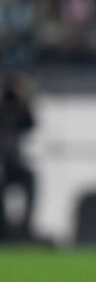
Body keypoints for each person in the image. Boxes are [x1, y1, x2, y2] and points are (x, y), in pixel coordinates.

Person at [0, 72, 36, 242]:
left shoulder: (18, 108)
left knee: (31, 181)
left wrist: (24, 99)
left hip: (14, 163)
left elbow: (30, 124)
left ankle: (25, 227)